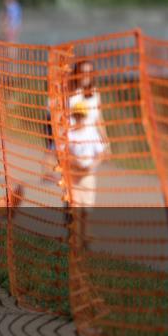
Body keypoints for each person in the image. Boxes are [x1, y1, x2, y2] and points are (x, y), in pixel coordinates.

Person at [65, 59, 110, 238]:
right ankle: (71, 230)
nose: (85, 75)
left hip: (90, 144)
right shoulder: (70, 94)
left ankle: (85, 235)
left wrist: (106, 141)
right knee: (71, 192)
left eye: (89, 72)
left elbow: (99, 119)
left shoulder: (94, 94)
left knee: (87, 191)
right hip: (72, 141)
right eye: (82, 71)